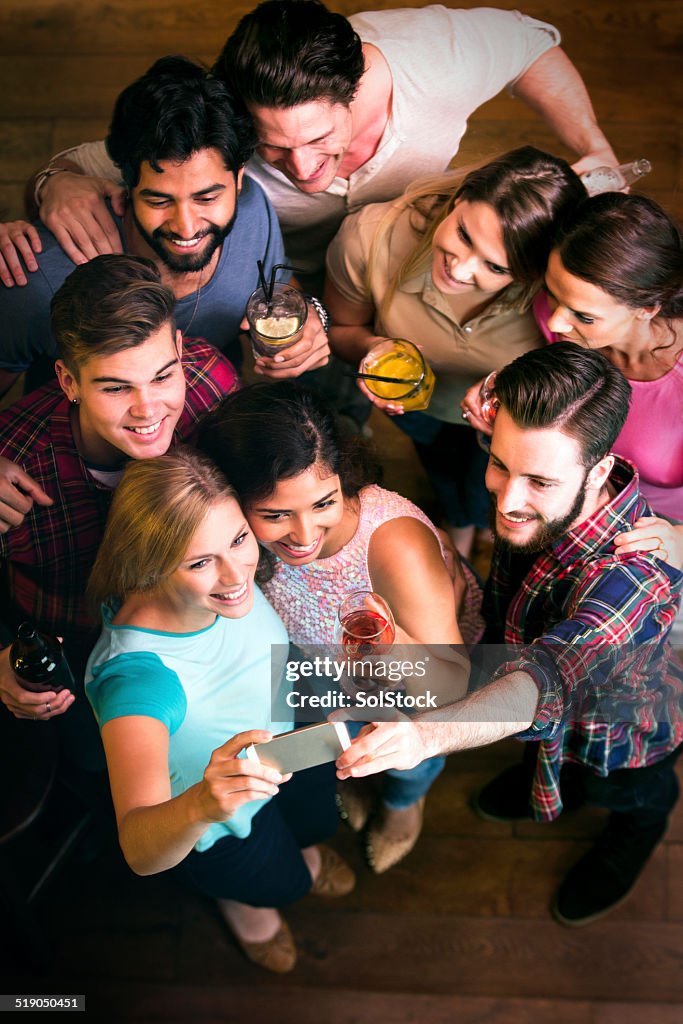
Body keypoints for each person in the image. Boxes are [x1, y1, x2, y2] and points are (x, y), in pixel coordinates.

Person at [337, 343, 683, 926]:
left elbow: (548, 677)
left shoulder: (633, 570)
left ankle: (635, 831)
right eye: (500, 463)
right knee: (551, 763)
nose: (509, 500)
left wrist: (427, 738)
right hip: (536, 694)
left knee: (624, 795)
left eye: (539, 482)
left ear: (599, 470)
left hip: (623, 730)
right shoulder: (543, 463)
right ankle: (550, 782)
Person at [10, 1, 617, 285]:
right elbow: (86, 162)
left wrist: (594, 145)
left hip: (420, 256)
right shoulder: (220, 121)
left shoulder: (436, 56)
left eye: (321, 138)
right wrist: (55, 182)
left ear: (355, 91)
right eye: (270, 149)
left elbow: (528, 45)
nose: (303, 170)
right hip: (288, 281)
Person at [85, 447, 354, 973]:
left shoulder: (226, 587)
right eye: (200, 562)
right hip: (224, 821)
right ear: (149, 563)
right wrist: (201, 805)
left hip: (287, 748)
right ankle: (245, 906)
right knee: (283, 884)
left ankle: (300, 855)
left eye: (238, 540)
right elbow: (140, 850)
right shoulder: (138, 682)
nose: (236, 575)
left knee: (316, 824)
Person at [197, 380, 477, 873]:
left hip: (415, 682)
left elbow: (453, 685)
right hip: (319, 666)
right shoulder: (229, 533)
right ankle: (354, 774)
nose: (304, 536)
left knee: (405, 752)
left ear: (341, 474)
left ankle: (404, 802)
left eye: (323, 503)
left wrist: (392, 646)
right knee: (339, 740)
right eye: (276, 514)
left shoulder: (394, 546)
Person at [0, 255, 237, 742]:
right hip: (71, 665)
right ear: (69, 381)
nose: (149, 409)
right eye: (115, 387)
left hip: (212, 634)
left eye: (163, 376)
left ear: (179, 347)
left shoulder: (214, 389)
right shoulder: (15, 462)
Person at [0, 56, 328, 397]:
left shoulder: (254, 212)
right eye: (159, 201)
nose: (185, 228)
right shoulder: (40, 281)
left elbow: (278, 290)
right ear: (126, 186)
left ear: (239, 180)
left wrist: (311, 322)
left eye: (206, 199)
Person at [324, 146, 586, 558]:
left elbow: (581, 370)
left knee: (489, 475)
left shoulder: (559, 296)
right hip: (418, 411)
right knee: (442, 467)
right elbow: (341, 329)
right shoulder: (371, 236)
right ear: (459, 197)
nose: (460, 270)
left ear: (534, 275)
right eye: (463, 234)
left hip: (513, 419)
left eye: (496, 268)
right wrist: (372, 348)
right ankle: (463, 519)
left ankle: (477, 520)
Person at [462, 192, 683, 570]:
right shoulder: (560, 319)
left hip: (657, 534)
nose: (555, 323)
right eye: (552, 293)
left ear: (647, 308)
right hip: (557, 511)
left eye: (583, 315)